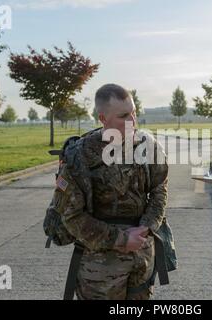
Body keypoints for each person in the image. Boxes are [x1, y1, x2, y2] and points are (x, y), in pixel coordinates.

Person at [54, 83, 168, 299]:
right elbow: (72, 216)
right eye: (124, 116)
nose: (132, 121)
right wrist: (122, 240)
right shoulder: (79, 156)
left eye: (134, 112)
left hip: (142, 259)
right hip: (99, 271)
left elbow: (159, 189)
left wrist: (146, 228)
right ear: (103, 118)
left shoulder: (148, 146)